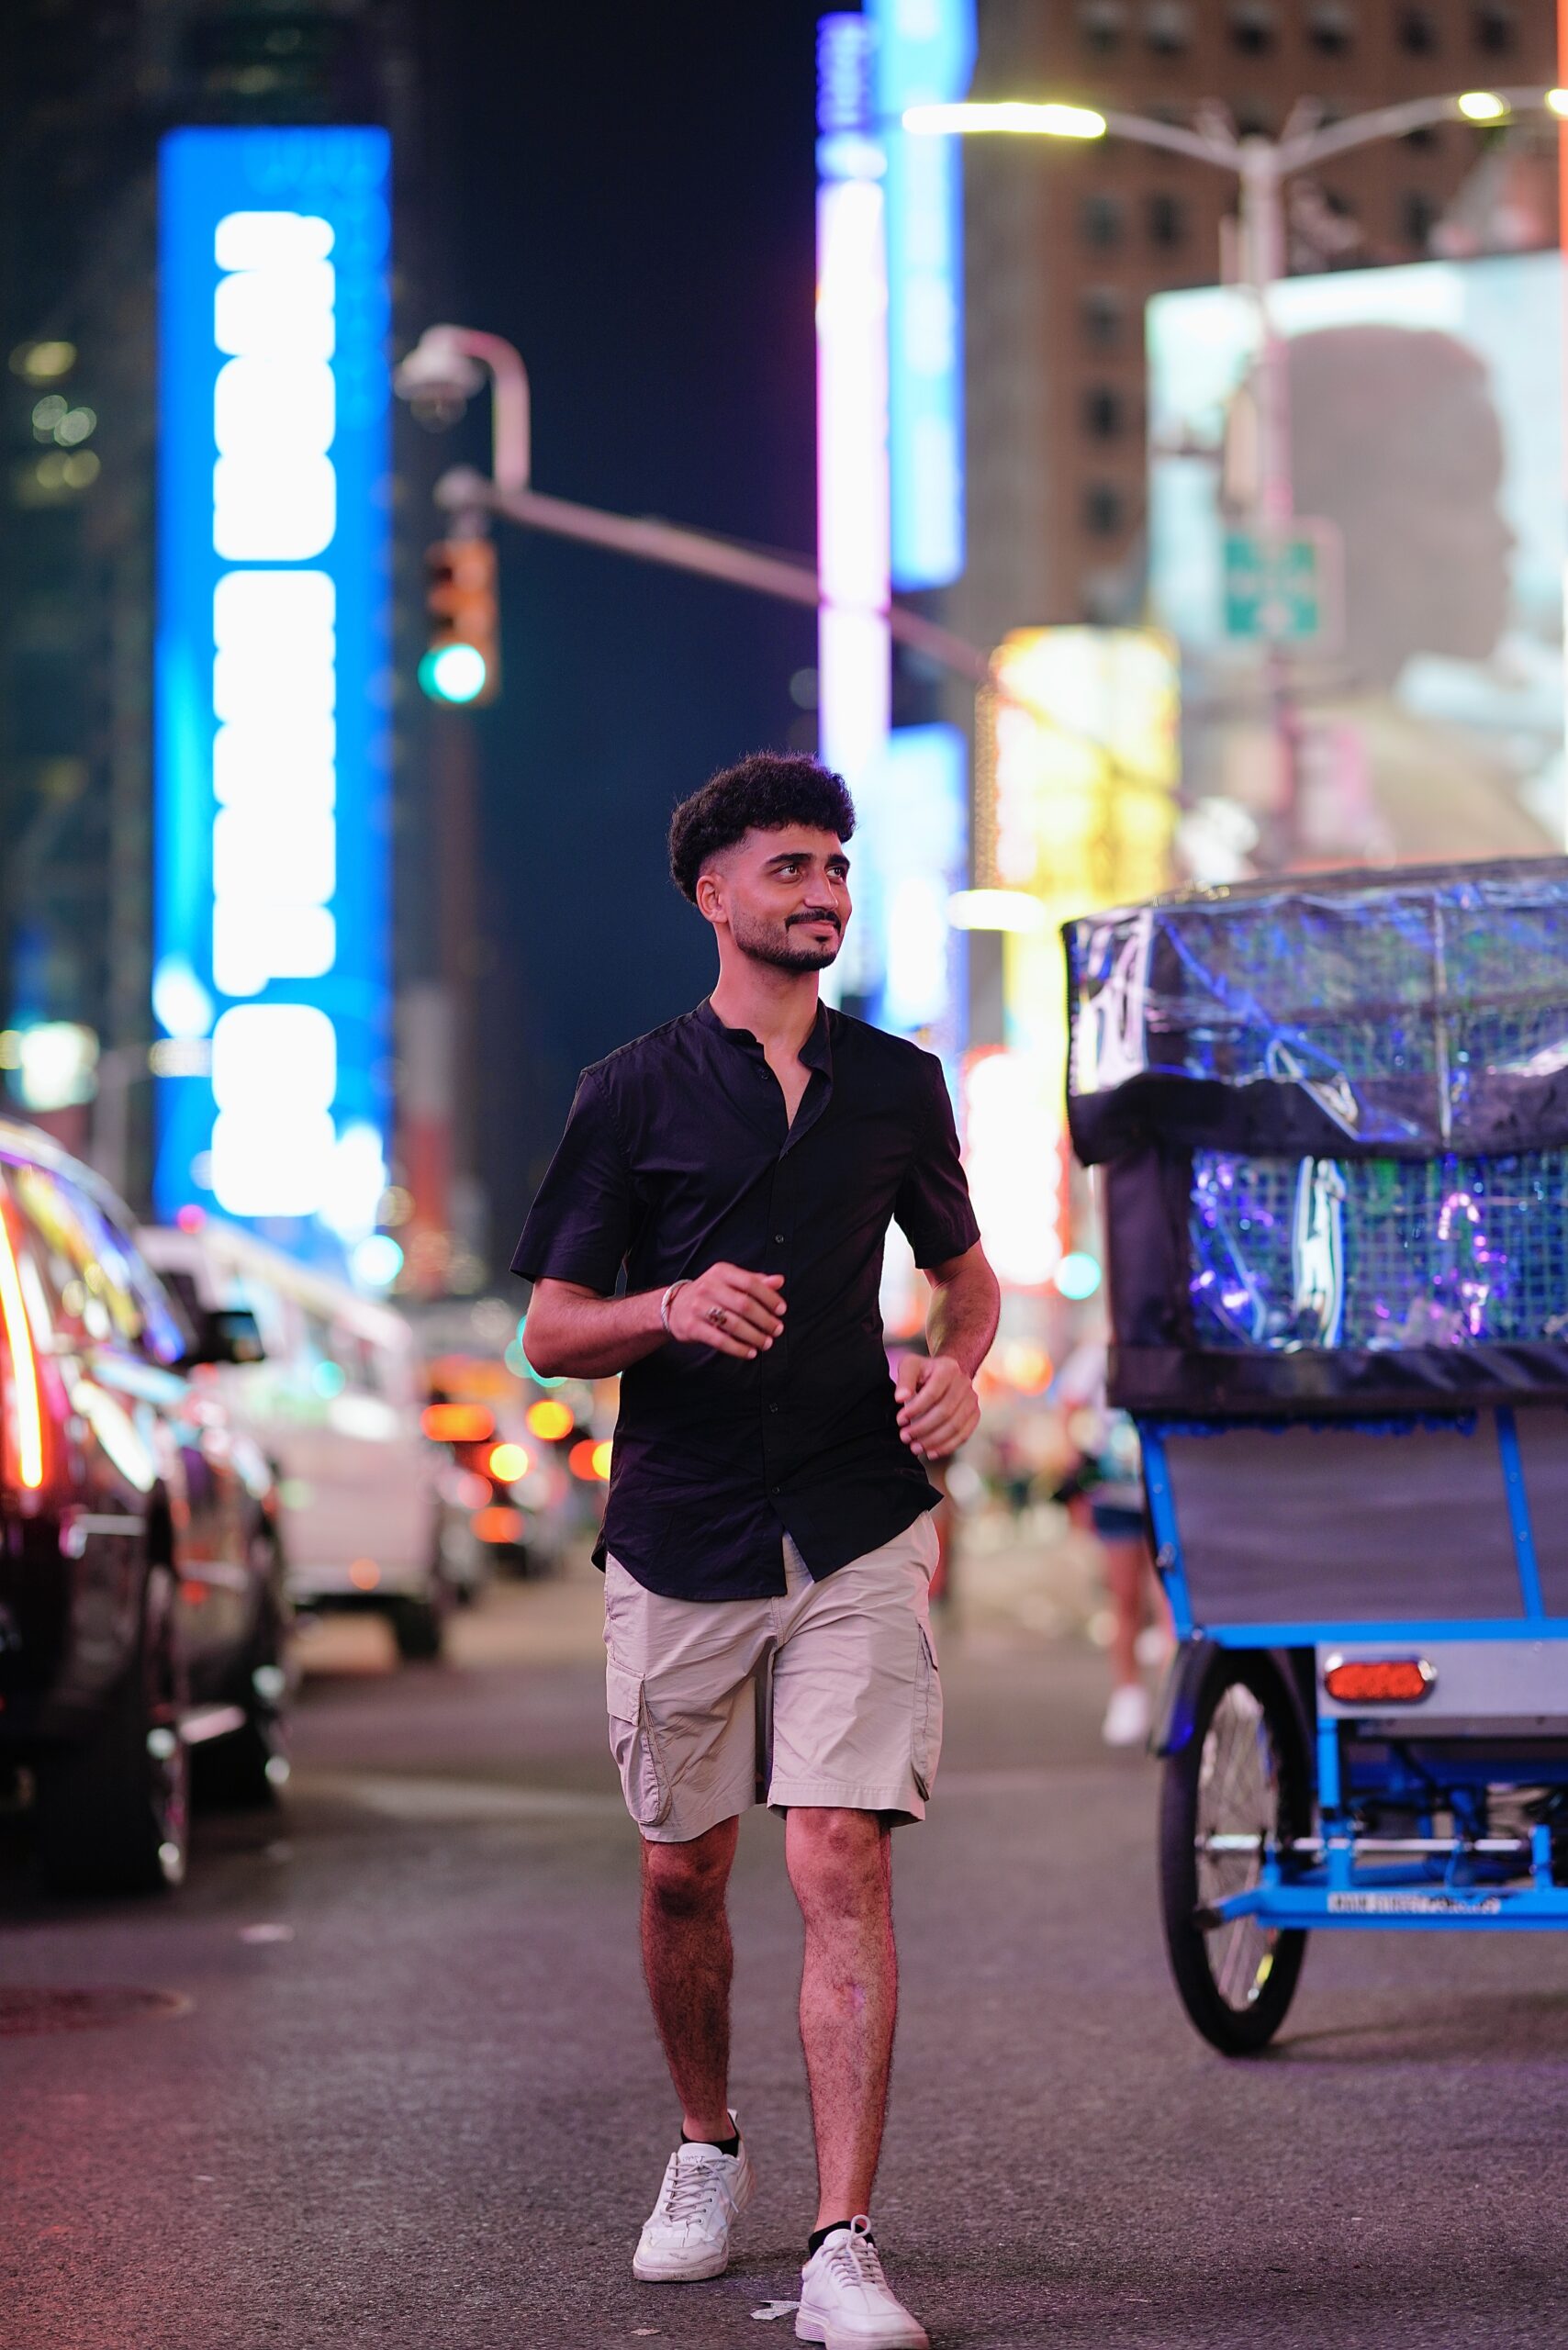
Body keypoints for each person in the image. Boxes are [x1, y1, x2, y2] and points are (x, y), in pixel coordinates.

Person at [517, 752, 999, 2350]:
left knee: (841, 1856)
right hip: (684, 1525)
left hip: (859, 1511)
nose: (824, 894)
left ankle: (846, 2239)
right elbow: (551, 1330)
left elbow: (965, 1272)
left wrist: (954, 1360)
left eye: (836, 867)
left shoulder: (898, 1085)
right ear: (715, 897)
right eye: (791, 868)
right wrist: (669, 1304)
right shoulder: (629, 1092)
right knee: (682, 1877)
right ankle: (706, 2147)